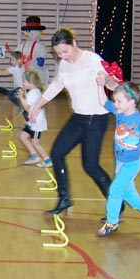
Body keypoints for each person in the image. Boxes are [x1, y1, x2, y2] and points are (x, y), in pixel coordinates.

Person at [26, 27, 113, 216]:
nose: (62, 56)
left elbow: (113, 84)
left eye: (65, 51)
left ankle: (115, 203)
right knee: (57, 153)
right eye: (58, 54)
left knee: (90, 165)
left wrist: (107, 79)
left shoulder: (92, 60)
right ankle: (64, 199)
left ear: (74, 43)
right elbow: (57, 85)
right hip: (78, 117)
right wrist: (37, 105)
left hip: (96, 119)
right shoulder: (64, 65)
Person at [95, 74, 140, 236]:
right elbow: (103, 102)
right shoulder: (119, 112)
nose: (115, 104)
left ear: (131, 101)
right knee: (127, 192)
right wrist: (99, 85)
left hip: (132, 163)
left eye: (119, 101)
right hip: (120, 162)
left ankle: (112, 223)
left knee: (115, 190)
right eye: (115, 101)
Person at [18, 70, 50, 167]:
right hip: (32, 122)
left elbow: (27, 108)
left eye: (24, 81)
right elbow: (30, 103)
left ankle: (48, 160)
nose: (22, 83)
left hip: (37, 123)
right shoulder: (33, 91)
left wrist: (21, 98)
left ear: (31, 82)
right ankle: (34, 156)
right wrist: (24, 94)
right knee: (23, 137)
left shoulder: (34, 93)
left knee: (35, 143)